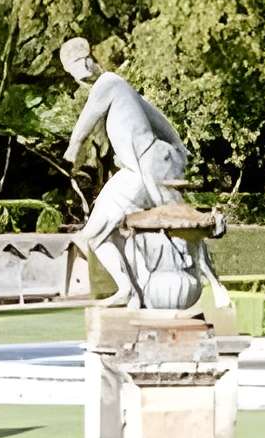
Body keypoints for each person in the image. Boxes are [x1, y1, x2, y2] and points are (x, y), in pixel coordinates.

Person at [61, 38, 191, 302]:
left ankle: (143, 286)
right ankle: (130, 290)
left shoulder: (108, 83)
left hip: (145, 169)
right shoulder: (120, 86)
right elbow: (158, 118)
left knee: (102, 233)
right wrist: (179, 144)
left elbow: (88, 117)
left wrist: (73, 148)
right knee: (93, 236)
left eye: (73, 70)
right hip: (135, 172)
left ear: (84, 61)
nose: (75, 78)